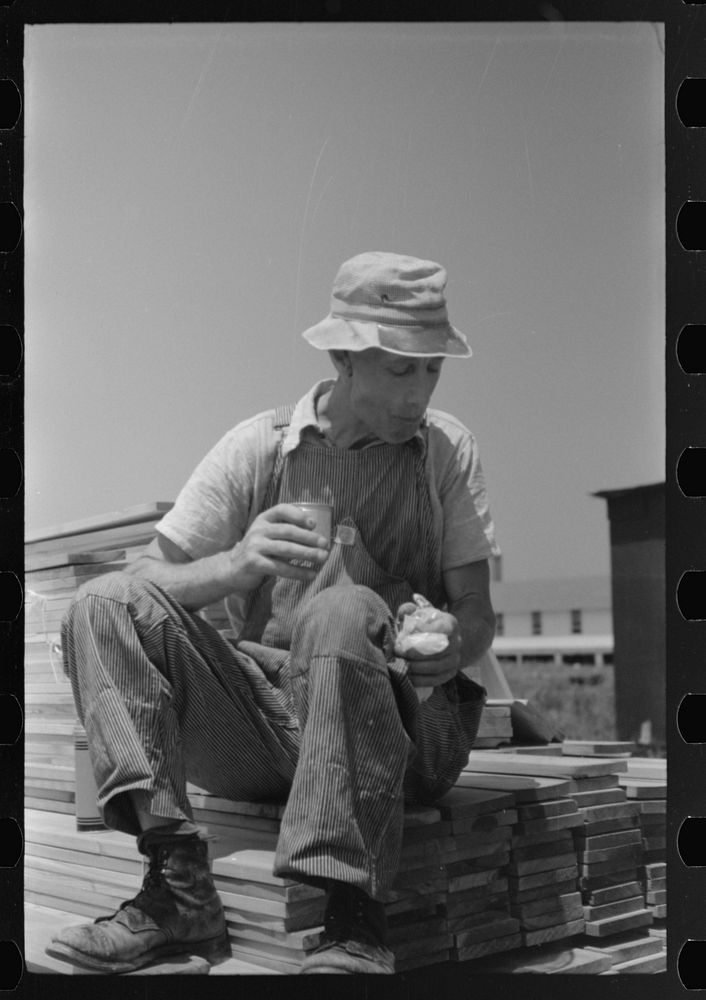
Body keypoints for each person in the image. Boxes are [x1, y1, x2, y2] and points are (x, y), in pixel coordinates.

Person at [48, 251, 499, 975]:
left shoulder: (442, 452)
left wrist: (454, 638)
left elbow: (479, 611)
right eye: (398, 369)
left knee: (343, 608)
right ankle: (177, 891)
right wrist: (238, 563)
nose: (418, 394)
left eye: (431, 370)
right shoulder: (258, 447)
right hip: (269, 728)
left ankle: (354, 919)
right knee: (102, 602)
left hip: (402, 733)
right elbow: (144, 577)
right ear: (344, 358)